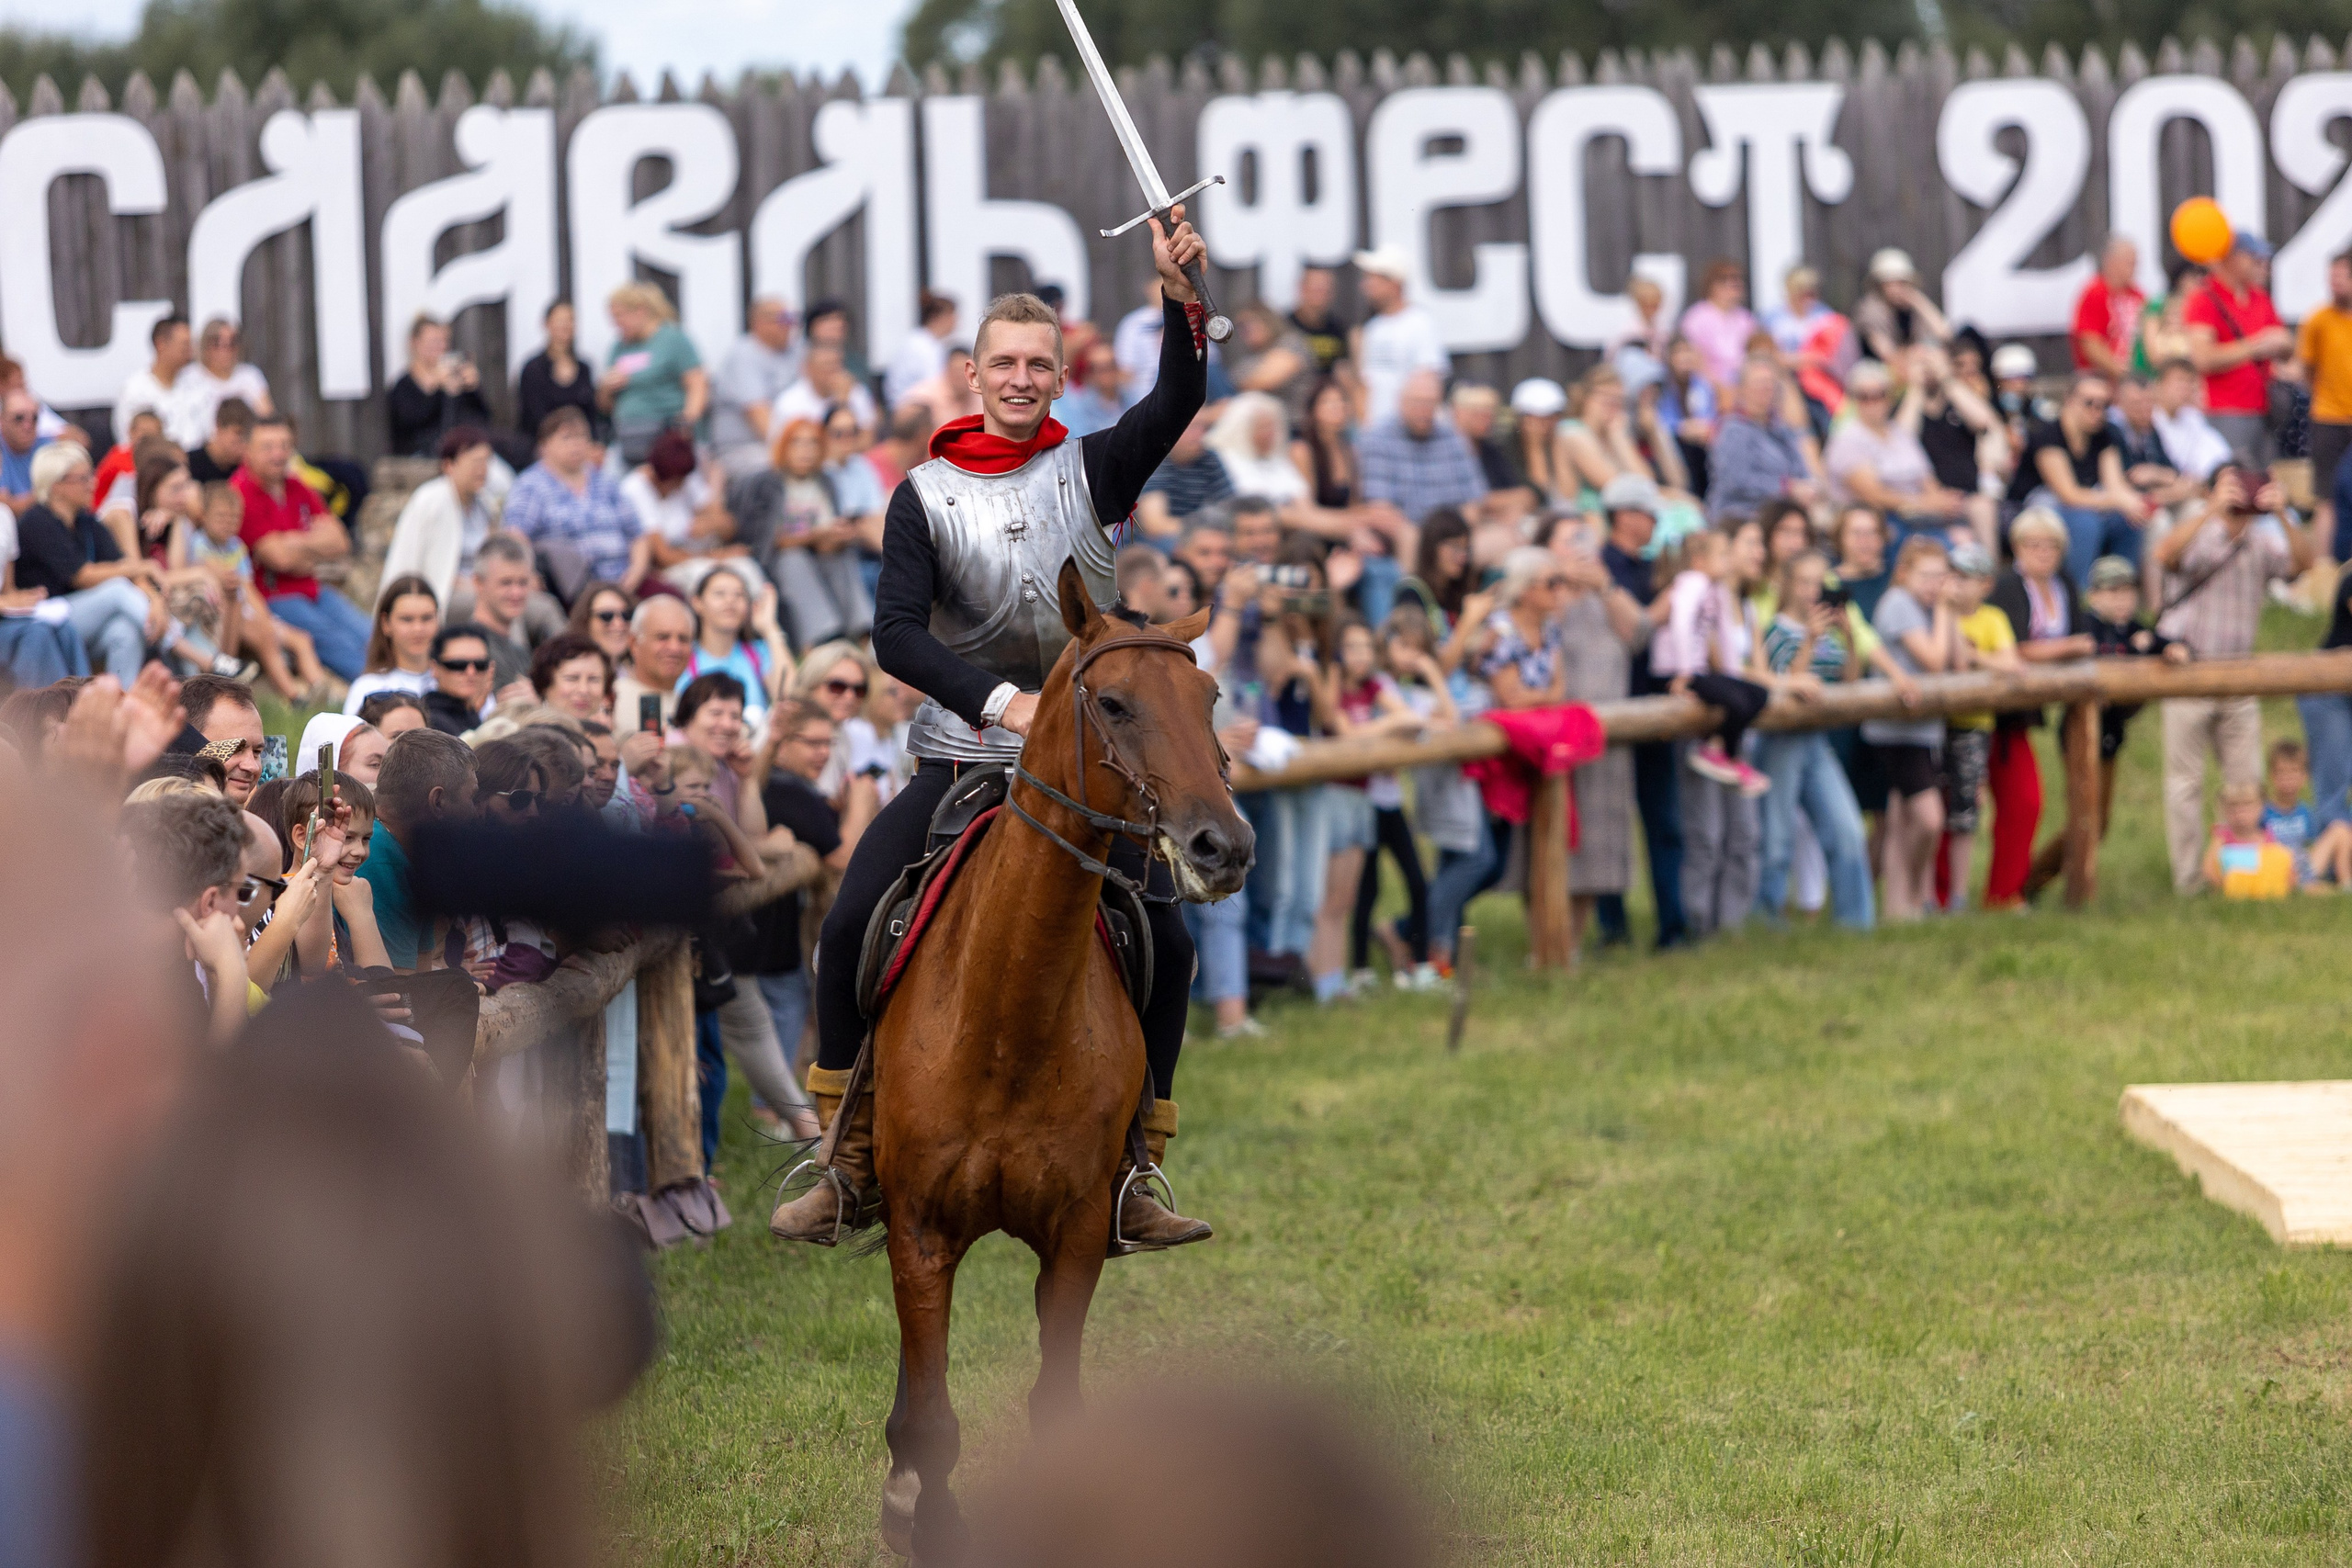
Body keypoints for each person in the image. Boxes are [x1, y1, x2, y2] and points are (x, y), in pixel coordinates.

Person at [776, 209, 1216, 1252]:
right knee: (848, 927)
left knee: (1168, 939)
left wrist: (1180, 294)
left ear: (1060, 379)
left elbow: (1180, 397)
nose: (1020, 378)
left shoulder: (1096, 471)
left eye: (1038, 364)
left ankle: (1135, 1167)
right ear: (970, 375)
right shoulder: (920, 497)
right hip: (965, 759)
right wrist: (997, 703)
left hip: (1089, 774)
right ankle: (845, 1157)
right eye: (1002, 362)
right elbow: (891, 634)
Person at [2153, 465, 2317, 891]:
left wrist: (2282, 514)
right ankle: (2189, 883)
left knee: (2245, 785)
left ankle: (2240, 878)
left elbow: (2305, 564)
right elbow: (2166, 555)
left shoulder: (2262, 543)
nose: (2241, 496)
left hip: (2241, 676)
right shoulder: (2198, 531)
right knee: (2184, 785)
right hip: (2189, 673)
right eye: (2234, 486)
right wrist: (2211, 510)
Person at [1754, 548, 1890, 928]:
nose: (1815, 591)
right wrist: (1810, 640)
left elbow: (1848, 679)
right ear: (1789, 587)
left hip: (1817, 739)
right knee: (1777, 837)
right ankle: (1766, 921)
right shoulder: (1777, 630)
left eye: (1821, 583)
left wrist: (1845, 637)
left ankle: (1856, 922)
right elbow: (1786, 686)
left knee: (1846, 829)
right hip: (1781, 740)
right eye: (1806, 582)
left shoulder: (1828, 630)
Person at [1868, 536, 1968, 919]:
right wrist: (1943, 609)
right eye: (1927, 577)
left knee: (1902, 821)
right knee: (1929, 819)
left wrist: (1952, 613)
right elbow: (1933, 660)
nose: (1935, 585)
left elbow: (1958, 665)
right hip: (1896, 732)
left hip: (1924, 731)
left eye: (1942, 577)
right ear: (1904, 573)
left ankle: (1900, 906)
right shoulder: (1898, 604)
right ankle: (1908, 895)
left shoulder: (1930, 609)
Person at [232, 414, 368, 680]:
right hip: (272, 598)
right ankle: (380, 693)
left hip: (312, 588)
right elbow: (279, 559)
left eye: (285, 445)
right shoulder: (240, 493)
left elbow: (340, 541)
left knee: (372, 633)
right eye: (268, 447)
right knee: (342, 645)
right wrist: (312, 545)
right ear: (247, 450)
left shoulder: (296, 485)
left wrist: (294, 543)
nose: (279, 454)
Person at [8, 443, 161, 679]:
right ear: (56, 485)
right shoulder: (36, 521)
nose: (93, 483)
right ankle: (185, 648)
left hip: (77, 619)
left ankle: (119, 707)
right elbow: (83, 576)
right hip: (46, 618)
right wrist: (143, 567)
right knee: (117, 590)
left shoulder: (86, 521)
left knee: (124, 631)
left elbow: (124, 566)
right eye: (83, 478)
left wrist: (155, 600)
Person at [121, 788, 253, 1044]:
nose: (240, 913)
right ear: (210, 901)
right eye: (242, 891)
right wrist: (232, 975)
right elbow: (218, 1082)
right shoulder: (137, 1003)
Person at [1936, 542, 2019, 911]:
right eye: (1953, 575)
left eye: (1967, 578)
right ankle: (1931, 893)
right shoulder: (1935, 613)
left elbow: (2012, 663)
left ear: (1985, 584)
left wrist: (1973, 656)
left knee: (1965, 811)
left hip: (1972, 727)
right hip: (1932, 727)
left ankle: (1958, 894)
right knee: (1932, 810)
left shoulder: (1992, 619)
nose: (1957, 585)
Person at [357, 727, 479, 969]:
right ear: (438, 801)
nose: (476, 812)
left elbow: (423, 970)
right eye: (472, 797)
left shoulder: (405, 852)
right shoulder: (377, 858)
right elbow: (405, 993)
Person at [503, 406, 650, 595]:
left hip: (624, 579)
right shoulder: (531, 485)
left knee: (670, 596)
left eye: (582, 437)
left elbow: (637, 535)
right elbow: (515, 536)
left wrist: (634, 575)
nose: (576, 445)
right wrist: (527, 574)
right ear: (544, 446)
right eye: (567, 438)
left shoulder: (605, 481)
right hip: (570, 586)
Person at [2185, 231, 2290, 466]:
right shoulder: (2205, 298)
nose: (2262, 266)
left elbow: (2285, 343)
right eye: (2254, 258)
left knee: (2262, 485)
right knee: (2234, 480)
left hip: (2263, 409)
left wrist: (2281, 344)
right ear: (2231, 258)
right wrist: (2255, 346)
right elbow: (2203, 358)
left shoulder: (2259, 297)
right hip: (2225, 411)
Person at [1356, 367, 1490, 542]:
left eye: (1430, 403)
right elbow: (1378, 508)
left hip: (1454, 534)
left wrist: (1451, 535)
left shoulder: (1453, 438)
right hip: (1404, 536)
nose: (1424, 410)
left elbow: (1476, 500)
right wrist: (1426, 541)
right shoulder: (1378, 438)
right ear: (1401, 402)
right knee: (1410, 541)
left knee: (1501, 539)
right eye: (1417, 402)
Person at [381, 425, 499, 610]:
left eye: (486, 462)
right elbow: (410, 559)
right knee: (497, 606)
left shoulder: (486, 505)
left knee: (540, 605)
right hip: (441, 594)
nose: (482, 470)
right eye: (475, 462)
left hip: (481, 588)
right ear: (449, 465)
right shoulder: (430, 501)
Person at [600, 281, 706, 466]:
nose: (616, 324)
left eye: (619, 316)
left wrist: (685, 423)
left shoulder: (673, 338)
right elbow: (606, 405)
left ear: (640, 311)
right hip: (629, 439)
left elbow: (697, 384)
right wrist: (607, 388)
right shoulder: (619, 347)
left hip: (666, 436)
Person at [1708, 356, 1818, 522]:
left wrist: (1807, 487)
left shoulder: (1780, 428)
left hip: (1780, 514)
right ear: (1743, 389)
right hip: (1741, 516)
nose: (1766, 388)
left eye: (1770, 383)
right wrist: (1785, 488)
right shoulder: (1732, 430)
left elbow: (1800, 468)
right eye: (1759, 383)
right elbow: (1736, 481)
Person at [1351, 244, 1448, 425]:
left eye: (1372, 279)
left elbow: (1428, 382)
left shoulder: (1420, 323)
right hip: (1379, 436)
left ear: (1394, 283)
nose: (1365, 285)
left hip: (1410, 435)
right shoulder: (1372, 328)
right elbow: (1366, 385)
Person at [681, 563, 789, 722]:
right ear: (697, 602)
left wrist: (770, 628)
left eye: (739, 595)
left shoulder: (759, 652)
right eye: (719, 594)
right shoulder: (681, 655)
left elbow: (789, 698)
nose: (730, 601)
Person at [624, 430, 736, 578]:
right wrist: (714, 557)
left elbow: (729, 526)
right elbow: (663, 556)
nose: (682, 484)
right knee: (707, 575)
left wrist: (711, 524)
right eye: (678, 481)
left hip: (702, 555)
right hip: (668, 570)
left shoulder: (685, 478)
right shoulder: (635, 489)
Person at [711, 296, 802, 477]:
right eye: (783, 319)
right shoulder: (744, 354)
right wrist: (793, 451)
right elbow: (759, 415)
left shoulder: (797, 352)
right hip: (744, 448)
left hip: (791, 444)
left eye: (792, 319)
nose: (790, 325)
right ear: (759, 323)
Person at [2299, 249, 2352, 556]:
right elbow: (2307, 368)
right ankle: (2325, 570)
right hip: (2329, 418)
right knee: (2326, 496)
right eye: (2331, 276)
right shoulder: (2318, 320)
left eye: (2341, 276)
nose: (2335, 283)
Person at [386, 314, 492, 458]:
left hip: (461, 453)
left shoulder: (455, 379)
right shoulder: (403, 386)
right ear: (414, 343)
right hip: (420, 458)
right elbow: (411, 424)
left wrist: (473, 389)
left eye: (444, 341)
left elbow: (482, 418)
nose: (441, 347)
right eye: (434, 342)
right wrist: (436, 389)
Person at [166, 317, 272, 450]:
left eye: (232, 343)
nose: (225, 349)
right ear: (205, 345)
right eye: (217, 343)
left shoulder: (250, 376)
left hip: (245, 448)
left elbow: (267, 417)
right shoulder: (188, 377)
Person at [341, 574, 441, 716]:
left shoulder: (459, 678)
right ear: (386, 623)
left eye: (426, 618)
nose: (418, 629)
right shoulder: (368, 688)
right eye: (407, 619)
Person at [1136, 406, 1236, 541]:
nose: (1199, 434)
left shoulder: (1209, 458)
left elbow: (1230, 508)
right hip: (1162, 542)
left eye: (1203, 427)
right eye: (1191, 427)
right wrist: (1203, 529)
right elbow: (1154, 525)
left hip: (1203, 535)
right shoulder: (1153, 462)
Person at [514, 299, 601, 446]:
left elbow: (591, 415)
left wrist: (591, 444)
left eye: (570, 320)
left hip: (581, 447)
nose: (566, 325)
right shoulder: (533, 369)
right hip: (543, 448)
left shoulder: (584, 368)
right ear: (547, 324)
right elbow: (533, 418)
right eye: (560, 320)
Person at [612, 592, 697, 732]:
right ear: (634, 643)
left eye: (683, 639)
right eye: (663, 637)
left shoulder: (696, 708)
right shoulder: (610, 701)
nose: (674, 648)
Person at [1679, 259, 1758, 401]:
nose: (1733, 283)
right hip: (1707, 383)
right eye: (1724, 279)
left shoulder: (1746, 319)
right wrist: (1719, 386)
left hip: (1743, 383)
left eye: (1737, 279)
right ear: (1711, 285)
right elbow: (1693, 359)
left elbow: (1755, 354)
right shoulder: (1697, 317)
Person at [1854, 248, 1951, 365]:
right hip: (1876, 369)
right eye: (1889, 283)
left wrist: (1919, 302)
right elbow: (1888, 354)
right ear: (1878, 285)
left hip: (1914, 365)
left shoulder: (1913, 308)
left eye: (1901, 283)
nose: (1896, 289)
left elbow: (1945, 334)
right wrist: (1916, 353)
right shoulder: (1869, 312)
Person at [2203, 781, 2297, 897]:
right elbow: (2209, 868)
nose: (2240, 815)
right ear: (2224, 811)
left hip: (2264, 888)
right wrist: (2221, 886)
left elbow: (2281, 864)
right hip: (2232, 887)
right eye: (2233, 810)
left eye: (2247, 809)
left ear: (2261, 808)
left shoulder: (2266, 836)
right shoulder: (2223, 836)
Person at [2072, 233, 2145, 378]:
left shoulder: (2137, 295)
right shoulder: (2095, 292)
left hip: (2133, 377)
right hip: (2102, 378)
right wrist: (2122, 373)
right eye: (2130, 263)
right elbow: (2090, 342)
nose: (2135, 269)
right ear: (2110, 261)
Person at [775, 343, 880, 434]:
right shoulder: (789, 402)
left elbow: (867, 442)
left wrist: (843, 404)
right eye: (826, 365)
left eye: (836, 365)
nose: (832, 371)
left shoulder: (857, 393)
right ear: (808, 369)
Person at [884, 289, 957, 409]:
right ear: (937, 317)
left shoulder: (932, 343)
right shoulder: (920, 346)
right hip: (910, 411)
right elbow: (934, 385)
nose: (956, 321)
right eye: (952, 315)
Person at [424, 623, 498, 735]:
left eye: (480, 665)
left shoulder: (476, 714)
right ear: (434, 668)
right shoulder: (427, 721)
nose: (471, 672)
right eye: (458, 665)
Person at [530, 631, 615, 724]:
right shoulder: (523, 735)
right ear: (545, 683)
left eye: (593, 679)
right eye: (572, 678)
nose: (583, 690)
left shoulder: (613, 736)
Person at [1055, 339, 1127, 436]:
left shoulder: (1131, 397)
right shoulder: (1079, 406)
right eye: (1101, 369)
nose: (1108, 374)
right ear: (1089, 374)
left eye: (1111, 366)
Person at [1288, 265, 1351, 377]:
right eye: (1316, 289)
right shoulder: (1285, 326)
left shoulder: (1338, 329)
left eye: (1325, 290)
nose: (1321, 295)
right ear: (1302, 288)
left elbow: (1344, 368)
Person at [182, 395, 252, 485]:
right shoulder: (190, 464)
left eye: (247, 437)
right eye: (238, 434)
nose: (243, 443)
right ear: (219, 426)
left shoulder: (247, 469)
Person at [570, 579, 636, 667]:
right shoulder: (572, 672)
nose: (619, 623)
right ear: (585, 621)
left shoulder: (639, 674)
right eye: (607, 616)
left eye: (626, 615)